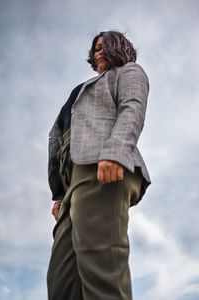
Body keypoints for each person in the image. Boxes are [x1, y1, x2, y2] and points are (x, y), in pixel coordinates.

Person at [47, 30, 151, 300]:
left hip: (105, 167)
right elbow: (56, 139)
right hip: (73, 184)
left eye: (106, 46)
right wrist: (59, 192)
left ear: (121, 48)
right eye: (96, 48)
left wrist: (116, 151)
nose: (99, 51)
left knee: (101, 270)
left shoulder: (128, 72)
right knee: (62, 280)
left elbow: (133, 108)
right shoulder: (78, 92)